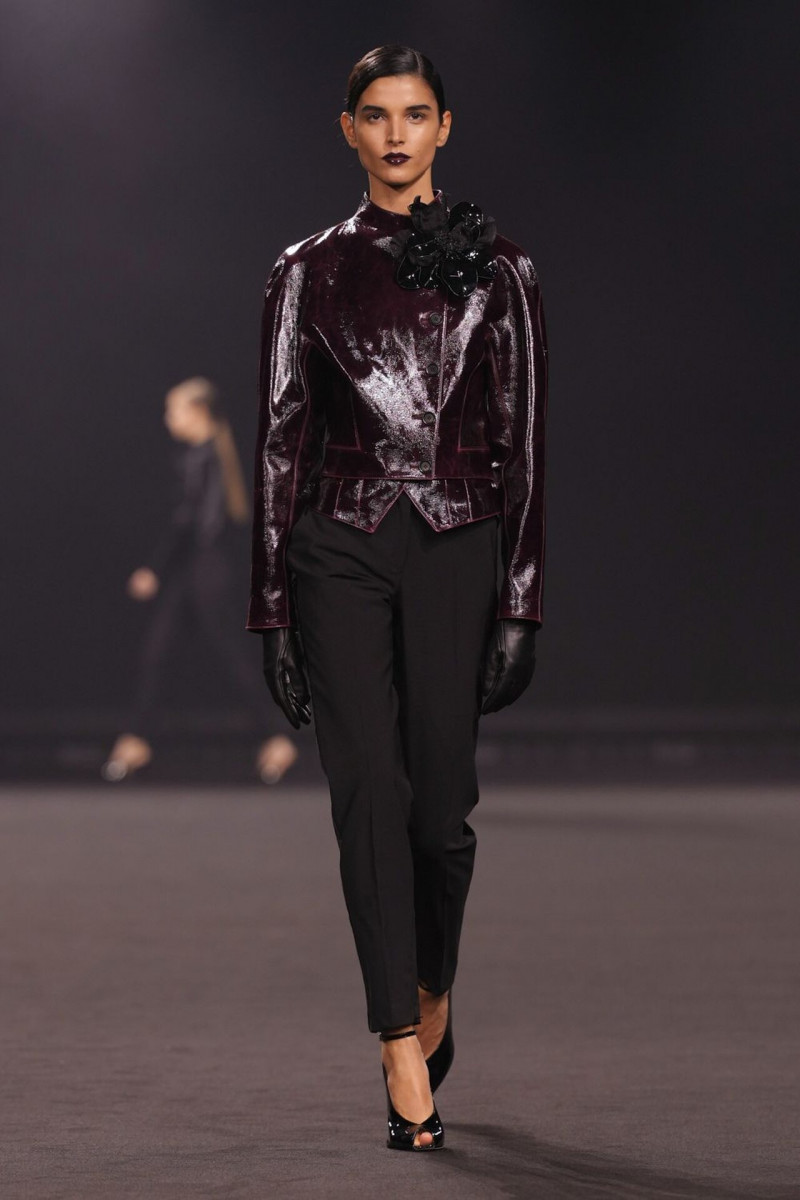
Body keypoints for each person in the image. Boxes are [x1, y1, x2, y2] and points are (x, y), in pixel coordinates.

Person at [248, 45, 548, 1151]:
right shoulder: (305, 271)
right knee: (368, 791)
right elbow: (280, 440)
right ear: (348, 130)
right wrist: (272, 606)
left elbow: (523, 441)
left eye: (414, 115)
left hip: (459, 546)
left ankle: (431, 987)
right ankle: (396, 1044)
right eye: (374, 115)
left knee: (439, 815)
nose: (394, 134)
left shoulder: (502, 269)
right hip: (337, 544)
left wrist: (520, 600)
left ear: (443, 127)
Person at [103, 377, 298, 784]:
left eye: (173, 410)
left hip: (209, 572)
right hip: (197, 570)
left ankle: (278, 738)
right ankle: (137, 738)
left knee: (229, 656)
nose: (167, 419)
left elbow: (192, 523)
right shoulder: (200, 456)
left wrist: (155, 569)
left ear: (197, 412)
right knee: (159, 651)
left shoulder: (208, 458)